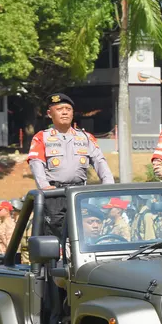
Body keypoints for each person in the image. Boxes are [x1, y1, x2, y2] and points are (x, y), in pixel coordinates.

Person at [28, 93, 114, 239]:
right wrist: (43, 186)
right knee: (54, 233)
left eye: (68, 109)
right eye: (60, 109)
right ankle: (56, 261)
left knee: (81, 232)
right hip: (55, 193)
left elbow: (100, 161)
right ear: (50, 113)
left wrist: (108, 185)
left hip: (79, 192)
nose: (64, 112)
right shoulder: (42, 137)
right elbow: (36, 163)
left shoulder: (85, 137)